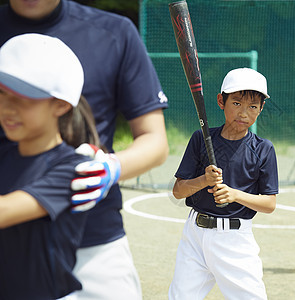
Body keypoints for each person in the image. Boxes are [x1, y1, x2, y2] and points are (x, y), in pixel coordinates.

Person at [0, 1, 169, 299]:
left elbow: (155, 142)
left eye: (25, 98)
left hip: (95, 241)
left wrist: (111, 168)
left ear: (61, 105)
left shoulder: (113, 32)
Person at [0, 33, 97, 299]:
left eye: (24, 98)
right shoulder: (5, 154)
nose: (7, 108)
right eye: (1, 93)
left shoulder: (74, 168)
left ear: (61, 105)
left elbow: (4, 210)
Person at [169, 68, 278, 299]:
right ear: (221, 101)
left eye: (253, 106)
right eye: (237, 103)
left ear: (261, 109)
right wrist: (203, 180)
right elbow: (178, 191)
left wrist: (235, 195)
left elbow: (269, 203)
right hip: (195, 236)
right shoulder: (201, 138)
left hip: (234, 241)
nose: (244, 113)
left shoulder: (263, 149)